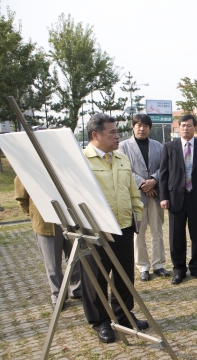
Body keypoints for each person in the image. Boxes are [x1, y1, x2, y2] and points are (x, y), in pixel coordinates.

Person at [82, 113, 146, 344]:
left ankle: (124, 315)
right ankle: (100, 322)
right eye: (112, 132)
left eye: (118, 132)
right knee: (96, 278)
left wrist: (137, 215)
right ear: (95, 135)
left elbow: (132, 192)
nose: (118, 136)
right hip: (95, 230)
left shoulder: (121, 158)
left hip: (123, 226)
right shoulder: (83, 160)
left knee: (124, 275)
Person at [159, 114, 197, 284]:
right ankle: (178, 269)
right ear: (179, 127)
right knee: (176, 236)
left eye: (189, 125)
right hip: (176, 197)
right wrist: (164, 197)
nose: (185, 128)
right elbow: (163, 174)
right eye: (182, 125)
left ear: (195, 128)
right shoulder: (169, 147)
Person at [14, 176, 82, 310]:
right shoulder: (28, 165)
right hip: (45, 222)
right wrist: (34, 213)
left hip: (70, 219)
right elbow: (21, 197)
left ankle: (77, 290)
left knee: (76, 257)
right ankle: (58, 296)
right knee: (52, 262)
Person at [119, 114, 169, 282]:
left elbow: (164, 167)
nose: (142, 128)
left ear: (150, 128)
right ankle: (143, 266)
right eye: (138, 125)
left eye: (145, 126)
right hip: (136, 195)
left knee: (157, 231)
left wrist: (154, 180)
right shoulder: (123, 147)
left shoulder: (158, 146)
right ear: (133, 127)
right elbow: (124, 169)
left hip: (155, 194)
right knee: (138, 233)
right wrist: (142, 183)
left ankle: (158, 264)